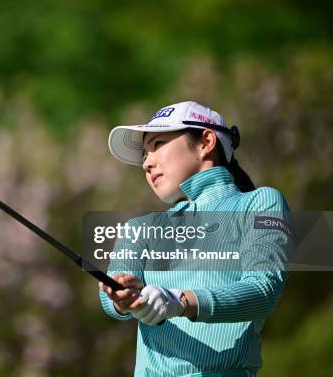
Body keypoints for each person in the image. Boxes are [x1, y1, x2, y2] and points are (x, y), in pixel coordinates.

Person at [98, 101, 294, 376]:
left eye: (157, 144)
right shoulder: (139, 228)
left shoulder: (261, 203)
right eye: (144, 154)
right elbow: (109, 300)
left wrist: (182, 301)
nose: (146, 162)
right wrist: (122, 297)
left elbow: (263, 291)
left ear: (206, 141)